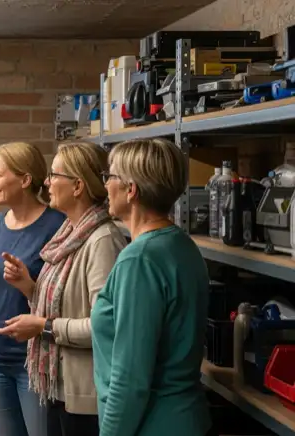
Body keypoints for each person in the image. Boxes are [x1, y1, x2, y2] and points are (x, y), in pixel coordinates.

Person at [0, 141, 127, 436]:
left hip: (85, 398)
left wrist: (43, 326)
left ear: (78, 186)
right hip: (60, 389)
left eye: (54, 175)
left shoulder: (102, 241)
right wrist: (29, 287)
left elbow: (104, 327)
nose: (46, 182)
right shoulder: (68, 233)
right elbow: (66, 304)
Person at [92, 138, 211, 436]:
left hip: (153, 425)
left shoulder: (139, 260)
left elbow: (130, 379)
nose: (105, 185)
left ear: (131, 190)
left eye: (110, 176)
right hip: (187, 418)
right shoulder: (181, 244)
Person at [0, 142, 66, 436]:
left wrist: (28, 285)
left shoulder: (57, 226)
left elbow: (64, 301)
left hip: (34, 363)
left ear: (25, 180)